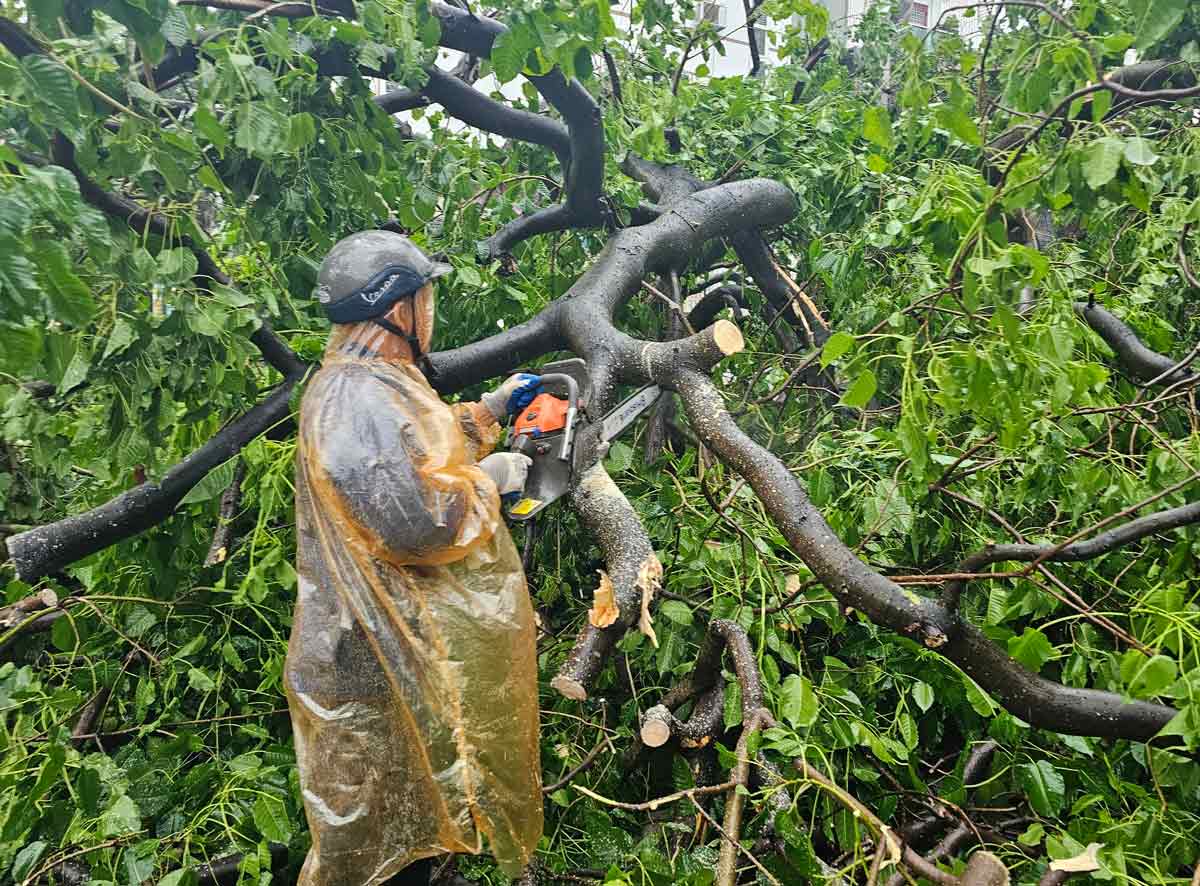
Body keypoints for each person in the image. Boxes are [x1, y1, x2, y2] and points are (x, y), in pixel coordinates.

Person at [285, 230, 544, 886]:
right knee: (385, 840)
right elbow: (414, 521)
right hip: (368, 659)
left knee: (413, 822)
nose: (431, 310)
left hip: (379, 645)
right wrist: (493, 481)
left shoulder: (369, 384)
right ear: (398, 309)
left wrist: (485, 414)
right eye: (425, 297)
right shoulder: (356, 398)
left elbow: (409, 453)